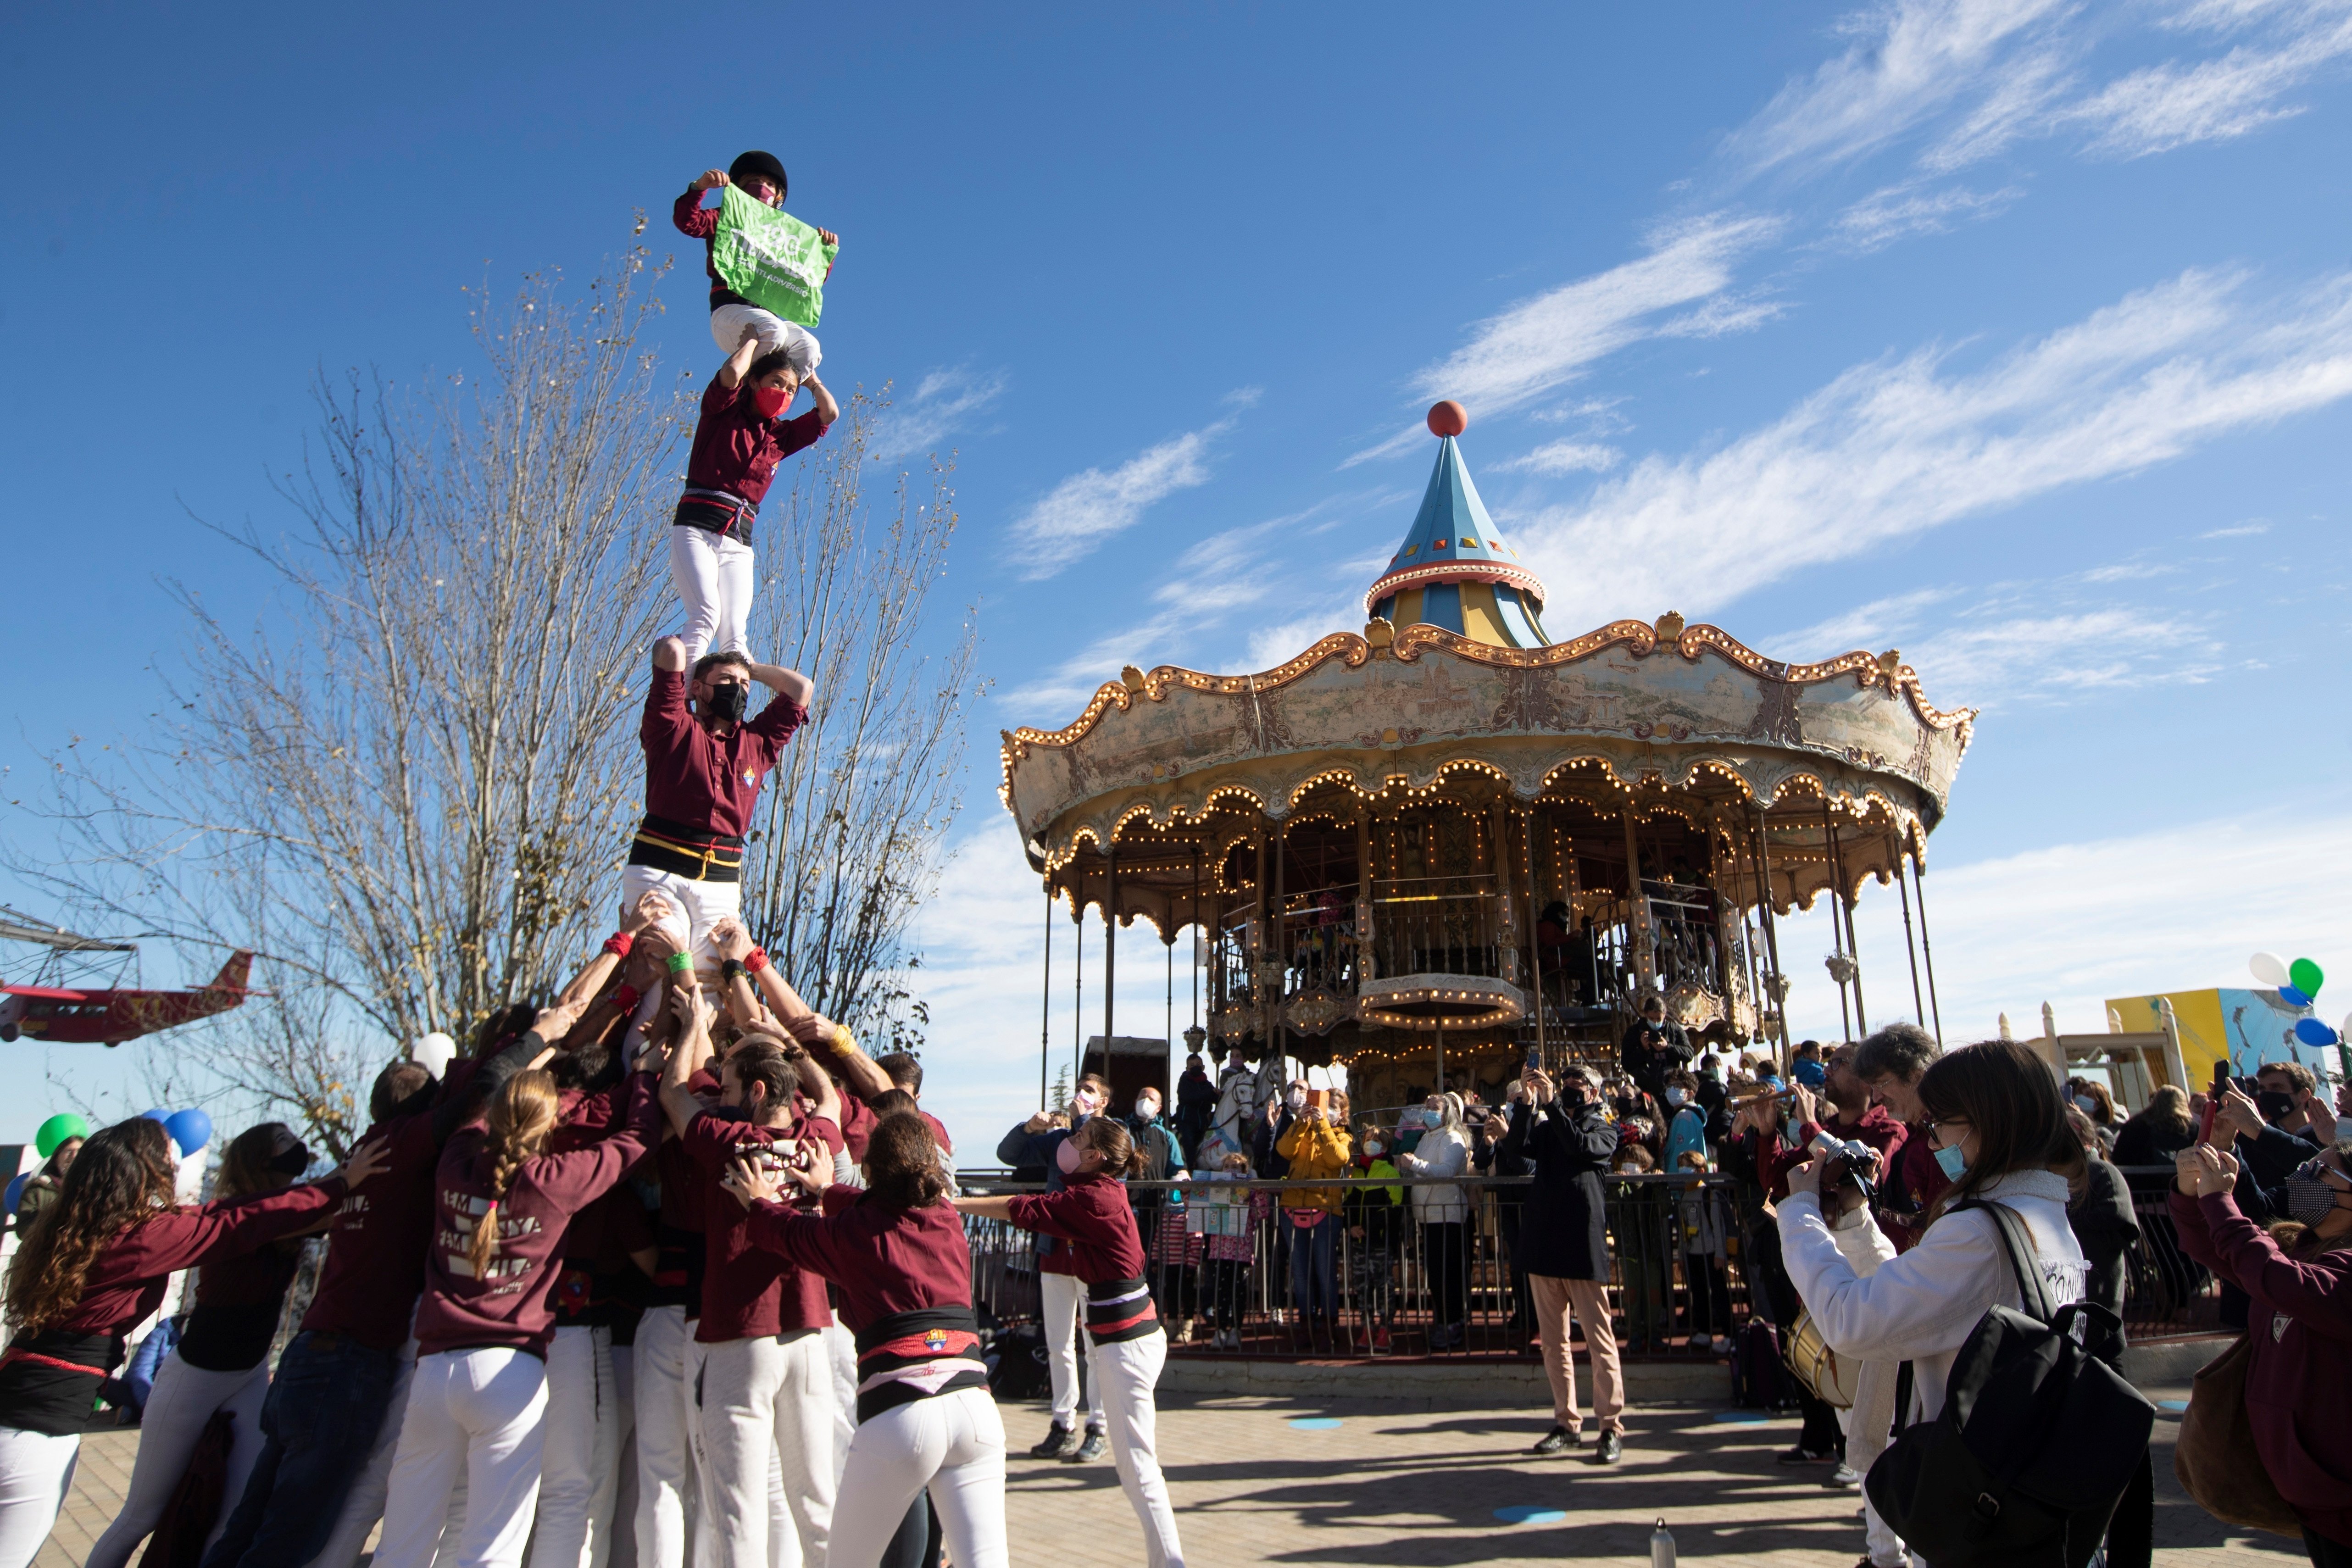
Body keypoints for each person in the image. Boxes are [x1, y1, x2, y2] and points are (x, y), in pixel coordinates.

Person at [0, 1120, 382, 1568]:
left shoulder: (70, 1229)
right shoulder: (137, 1239)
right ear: (143, 1168)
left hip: (16, 1405)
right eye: (168, 1154)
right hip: (37, 1435)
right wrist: (339, 1184)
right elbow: (229, 1222)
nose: (176, 1161)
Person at [368, 1020, 664, 1568]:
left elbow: (483, 1092)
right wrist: (644, 1078)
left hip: (433, 1372)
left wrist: (541, 1045)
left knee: (404, 1544)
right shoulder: (555, 1178)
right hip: (510, 1373)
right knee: (491, 1551)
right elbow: (637, 1141)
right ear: (552, 1120)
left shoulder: (455, 1161)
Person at [1775, 1040, 2091, 1528]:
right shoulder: (2043, 1213)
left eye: (1941, 1124)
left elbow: (1853, 1320)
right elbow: (1916, 1293)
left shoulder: (1980, 1232)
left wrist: (1799, 1214)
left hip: (1980, 1498)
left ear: (1988, 1121)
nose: (1935, 1140)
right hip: (2028, 1479)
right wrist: (1858, 1225)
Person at [716, 1110, 1006, 1568]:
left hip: (901, 1411)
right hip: (975, 1409)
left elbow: (788, 1232)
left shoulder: (854, 1234)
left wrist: (758, 1201)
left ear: (871, 1169)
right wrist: (827, 1189)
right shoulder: (946, 1218)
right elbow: (876, 1208)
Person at [657, 990, 845, 1568]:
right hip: (811, 1335)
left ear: (757, 1092)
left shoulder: (729, 1140)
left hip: (742, 1335)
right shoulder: (817, 1139)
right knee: (817, 1502)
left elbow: (671, 1094)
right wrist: (791, 1045)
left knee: (738, 1513)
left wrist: (693, 1024)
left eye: (733, 1087)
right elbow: (833, 1097)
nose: (725, 1095)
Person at [87, 1123, 328, 1568]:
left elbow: (326, 1207)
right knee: (142, 1513)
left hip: (250, 1372)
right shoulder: (237, 1217)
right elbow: (286, 1212)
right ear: (259, 1158)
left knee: (232, 1515)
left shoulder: (289, 1212)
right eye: (283, 1140)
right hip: (194, 1375)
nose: (295, 1146)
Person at [956, 1118, 1183, 1568]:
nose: (1068, 1142)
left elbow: (1025, 1208)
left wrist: (954, 1204)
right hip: (1126, 1340)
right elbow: (1036, 1203)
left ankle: (1171, 1563)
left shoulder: (1094, 1197)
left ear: (1095, 1155)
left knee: (1139, 1468)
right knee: (1135, 1467)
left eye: (1077, 1139)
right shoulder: (1101, 1189)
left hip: (1128, 1345)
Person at [2170, 1136, 2352, 1566]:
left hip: (2339, 1490)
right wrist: (2189, 1192)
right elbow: (2216, 1250)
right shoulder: (2303, 1250)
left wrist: (2220, 1201)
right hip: (2307, 1487)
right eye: (2307, 1166)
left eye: (2321, 1171)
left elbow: (2275, 1277)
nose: (2304, 1177)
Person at [623, 636, 814, 972]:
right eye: (726, 681)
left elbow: (801, 689)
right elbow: (670, 650)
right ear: (697, 688)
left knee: (711, 983)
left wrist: (747, 667)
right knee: (660, 973)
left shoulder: (759, 742)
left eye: (743, 685)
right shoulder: (671, 726)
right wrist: (702, 652)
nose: (737, 689)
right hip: (659, 868)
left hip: (720, 879)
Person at [669, 328, 840, 664]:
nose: (783, 392)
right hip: (697, 529)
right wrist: (750, 340)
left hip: (738, 541)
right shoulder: (724, 412)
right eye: (776, 382)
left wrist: (811, 380)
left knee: (735, 636)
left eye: (790, 390)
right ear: (754, 382)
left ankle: (723, 713)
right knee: (705, 617)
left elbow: (828, 414)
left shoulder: (781, 436)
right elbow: (731, 374)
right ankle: (679, 701)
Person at [1501, 1066, 1625, 1461]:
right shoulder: (1549, 1122)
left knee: (1598, 1338)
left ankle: (1609, 1424)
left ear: (1593, 1092)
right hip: (1544, 1239)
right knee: (1553, 1342)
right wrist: (1524, 1103)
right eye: (1565, 1086)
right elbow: (1517, 1149)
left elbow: (1579, 1148)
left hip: (1581, 1243)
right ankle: (1566, 1421)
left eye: (1577, 1087)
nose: (1570, 1092)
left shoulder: (1604, 1128)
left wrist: (1553, 1104)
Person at [992, 1077, 1110, 1460]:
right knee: (1058, 1344)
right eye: (1081, 1087)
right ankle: (1062, 1423)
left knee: (1095, 1346)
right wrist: (1029, 1128)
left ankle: (1098, 1424)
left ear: (1104, 1101)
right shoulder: (1059, 1140)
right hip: (1055, 1250)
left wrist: (1081, 1123)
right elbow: (1010, 1154)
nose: (1083, 1094)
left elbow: (1094, 1162)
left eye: (1091, 1090)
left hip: (1091, 1254)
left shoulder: (1113, 1132)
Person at [2061, 1106, 2148, 1568]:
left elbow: (2110, 1233)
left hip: (2099, 1337)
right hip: (2062, 1342)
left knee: (2115, 1459)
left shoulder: (2101, 1174)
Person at [671, 155, 839, 381]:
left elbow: (803, 279)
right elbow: (689, 222)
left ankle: (770, 400)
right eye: (755, 180)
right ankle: (735, 389)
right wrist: (699, 188)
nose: (763, 186)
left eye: (770, 184)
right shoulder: (727, 217)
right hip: (730, 310)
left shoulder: (782, 236)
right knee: (773, 331)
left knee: (809, 348)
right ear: (739, 186)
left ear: (777, 197)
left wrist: (824, 255)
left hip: (764, 313)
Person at [1852, 1022, 1947, 1254]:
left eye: (1881, 1084)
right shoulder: (1917, 1134)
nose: (1876, 1097)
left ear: (1916, 1074)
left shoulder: (1946, 1137)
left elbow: (1941, 1231)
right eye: (1872, 1087)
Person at [1395, 1092, 1473, 1350]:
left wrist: (1415, 1163)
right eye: (1427, 1107)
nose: (1429, 1111)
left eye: (1435, 1108)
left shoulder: (1452, 1138)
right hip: (1428, 1213)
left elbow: (1446, 1171)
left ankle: (1452, 1323)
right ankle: (1444, 1320)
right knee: (1436, 1273)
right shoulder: (1427, 1138)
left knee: (1446, 1273)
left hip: (1446, 1213)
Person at [1274, 1100, 1349, 1350]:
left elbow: (1338, 1159)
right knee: (1300, 1272)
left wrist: (1323, 1126)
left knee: (1325, 1270)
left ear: (1341, 1113)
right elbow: (1284, 1150)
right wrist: (1300, 1122)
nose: (1324, 1109)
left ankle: (1328, 1326)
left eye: (1332, 1106)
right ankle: (1305, 1325)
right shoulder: (1302, 1129)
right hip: (1293, 1206)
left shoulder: (1344, 1136)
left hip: (1326, 1209)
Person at [10, 1120, 86, 1235]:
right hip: (48, 1251)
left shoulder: (94, 1188)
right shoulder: (38, 1189)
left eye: (79, 1151)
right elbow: (23, 1230)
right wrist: (52, 1222)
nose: (74, 1156)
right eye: (69, 1151)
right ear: (56, 1158)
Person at [1620, 994, 1691, 1101]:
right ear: (1645, 1015)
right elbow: (1626, 1064)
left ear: (1665, 1014)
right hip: (1646, 1091)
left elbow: (1689, 1053)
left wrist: (1668, 1047)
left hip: (1671, 1089)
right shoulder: (1634, 1033)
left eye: (1659, 1019)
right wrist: (1643, 1050)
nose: (1655, 1022)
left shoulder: (1674, 1030)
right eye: (1651, 1019)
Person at [1173, 1054, 1214, 1164]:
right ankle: (1191, 1167)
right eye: (1192, 1065)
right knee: (1189, 1142)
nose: (1195, 1067)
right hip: (1186, 1120)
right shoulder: (1185, 1082)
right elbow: (1188, 1097)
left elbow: (1214, 1097)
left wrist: (1219, 1094)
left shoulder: (1206, 1084)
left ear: (1203, 1067)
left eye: (1198, 1065)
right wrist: (1208, 1094)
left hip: (1202, 1121)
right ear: (1187, 1069)